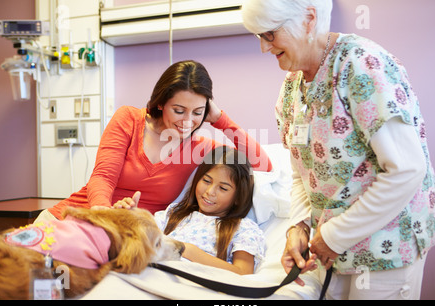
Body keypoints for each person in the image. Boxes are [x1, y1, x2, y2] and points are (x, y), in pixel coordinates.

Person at [242, 0, 435, 299]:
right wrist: (299, 226)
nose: (264, 48)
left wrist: (334, 236)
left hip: (385, 252)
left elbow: (406, 170)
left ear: (309, 19)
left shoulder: (362, 64)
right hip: (331, 254)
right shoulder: (292, 85)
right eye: (258, 36)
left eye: (269, 34)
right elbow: (301, 171)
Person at [35, 60, 272, 222]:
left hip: (126, 234)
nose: (188, 121)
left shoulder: (200, 149)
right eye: (179, 110)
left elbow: (263, 164)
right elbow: (103, 177)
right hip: (75, 218)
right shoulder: (129, 118)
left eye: (198, 112)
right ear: (161, 102)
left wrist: (220, 119)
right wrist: (103, 216)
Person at [115, 146, 265, 275]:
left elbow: (243, 273)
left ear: (238, 197)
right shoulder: (174, 214)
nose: (210, 191)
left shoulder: (243, 228)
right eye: (206, 181)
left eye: (223, 188)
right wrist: (128, 218)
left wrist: (188, 250)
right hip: (154, 274)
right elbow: (144, 237)